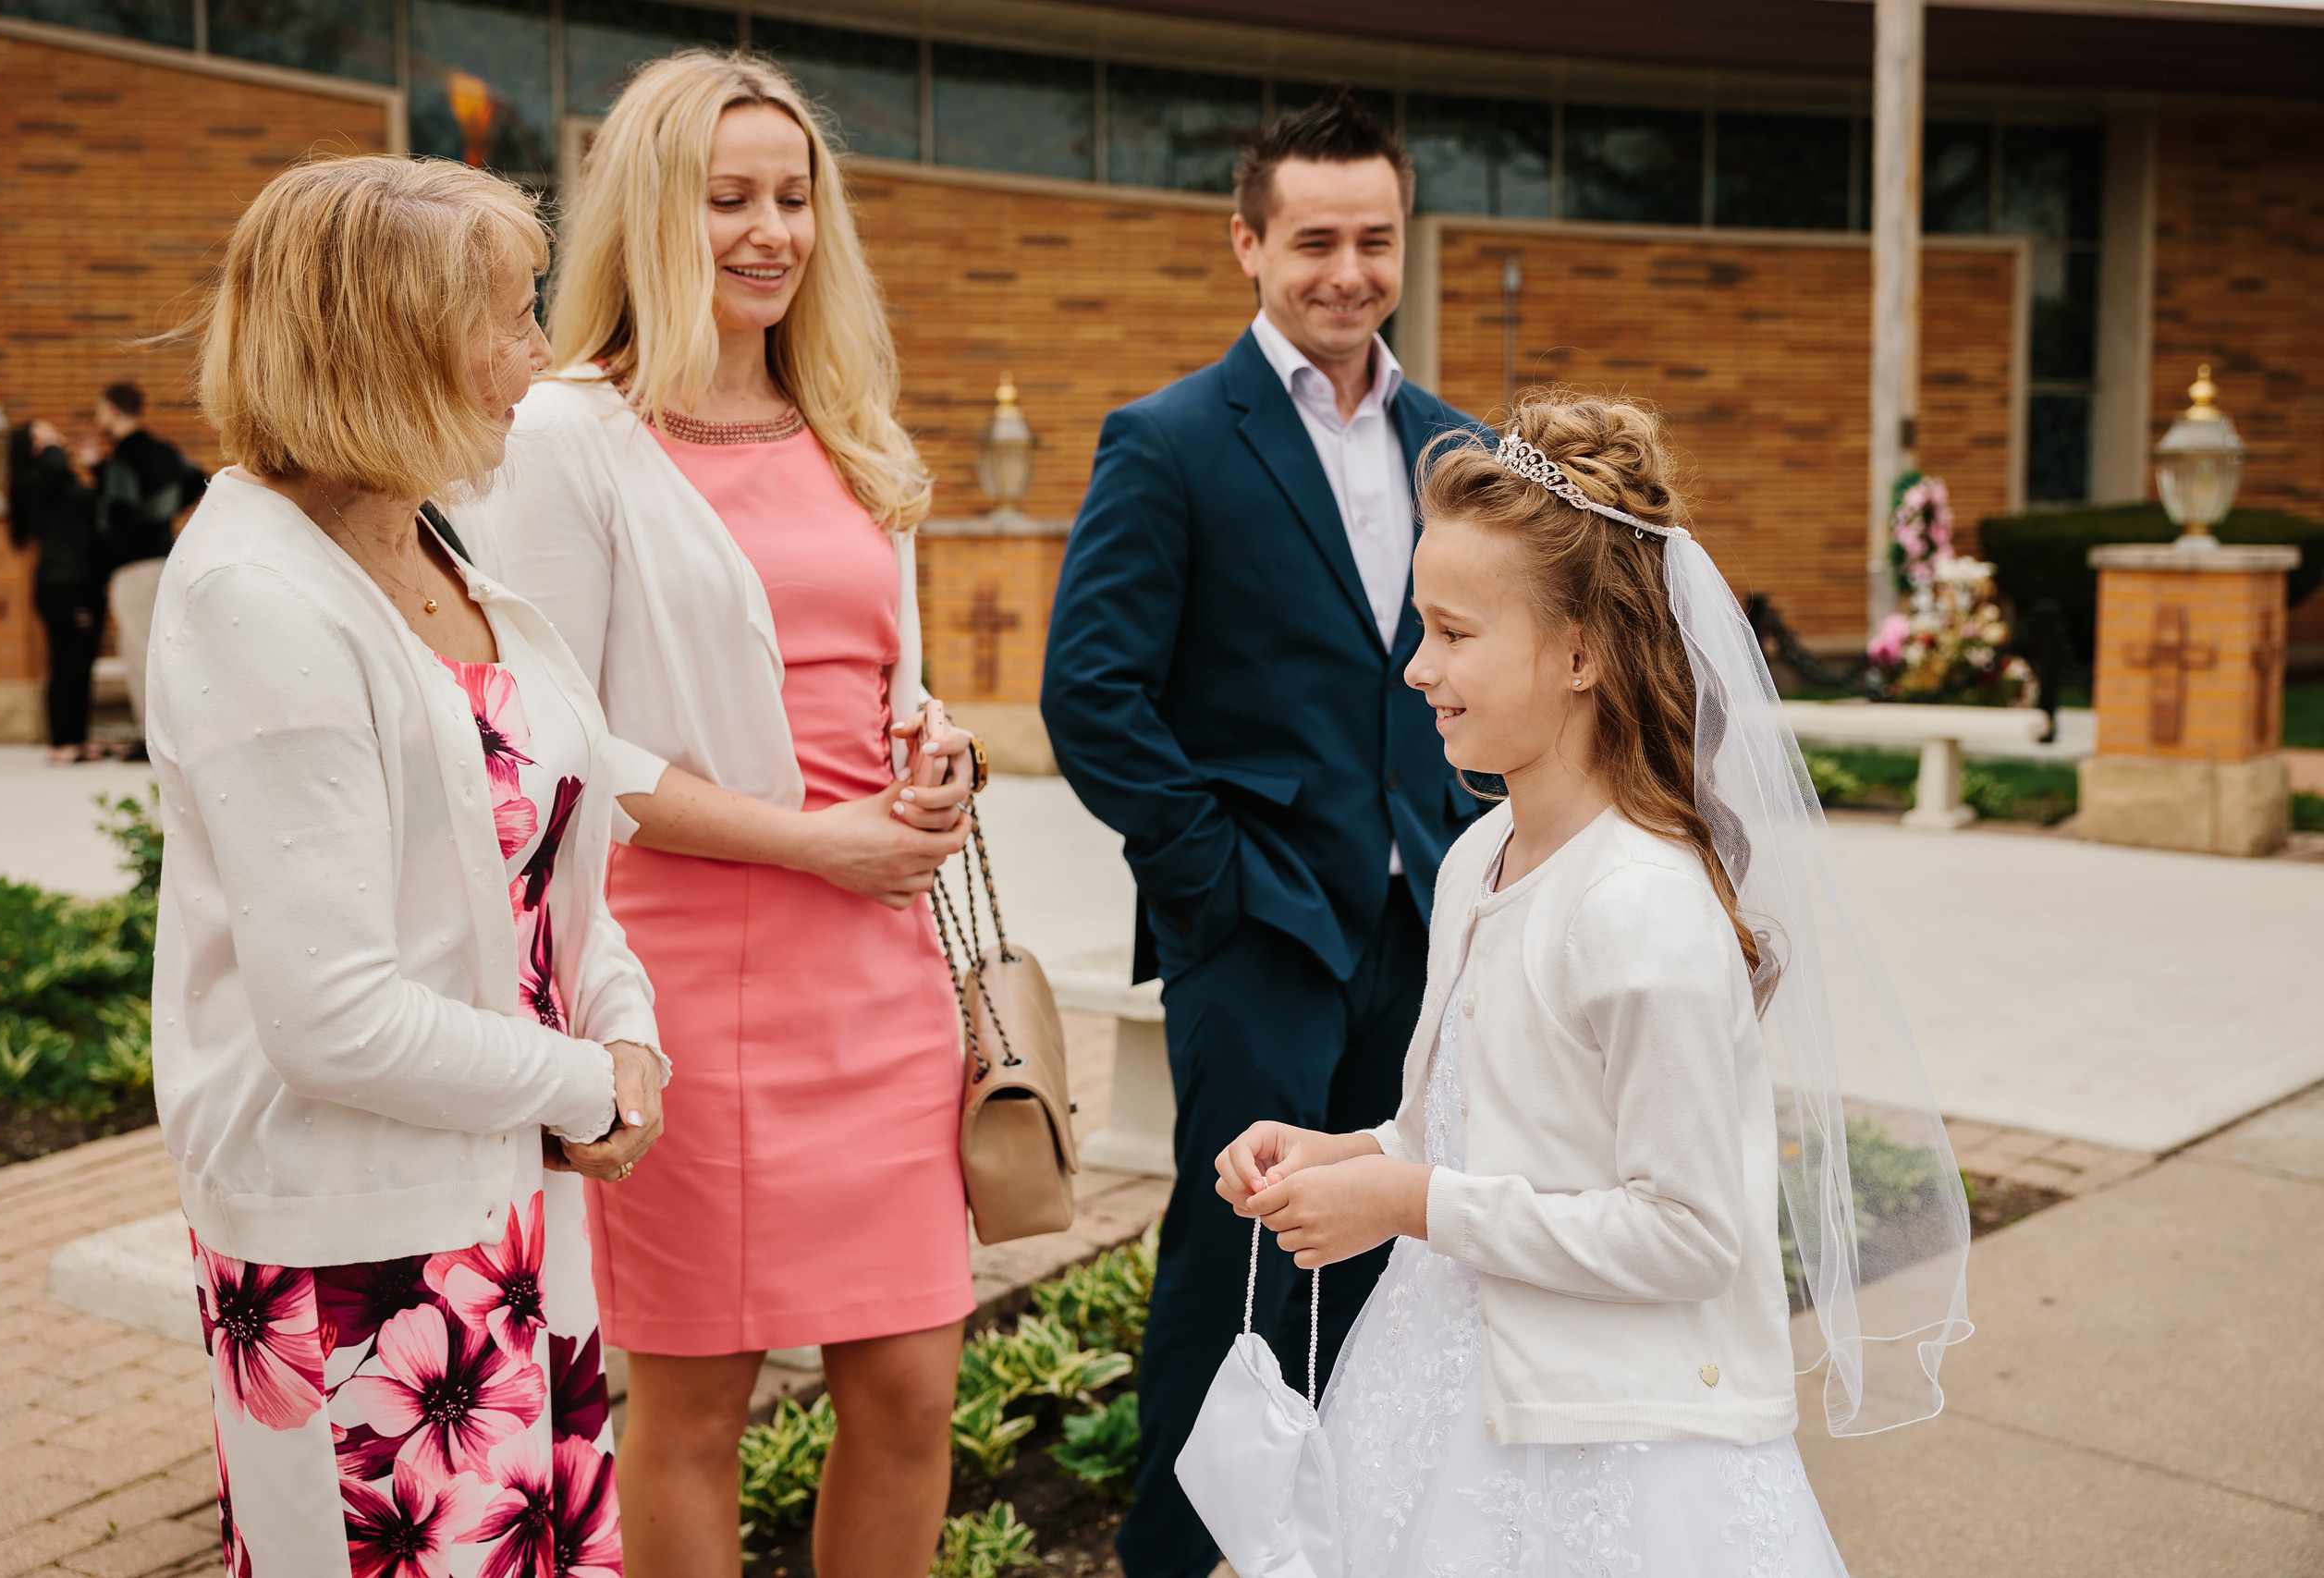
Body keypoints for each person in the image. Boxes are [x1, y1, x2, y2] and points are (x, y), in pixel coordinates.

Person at [1215, 393, 1972, 1574]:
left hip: (1611, 1446)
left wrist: (1407, 1205)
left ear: (1581, 651)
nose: (1417, 668)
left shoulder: (1643, 912)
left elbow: (1687, 1235)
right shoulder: (1477, 858)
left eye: (1454, 633)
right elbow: (1454, 1131)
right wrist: (1340, 1157)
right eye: (1422, 628)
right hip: (1445, 1381)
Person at [477, 49, 978, 1578]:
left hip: (880, 975)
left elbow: (872, 671)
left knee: (907, 1389)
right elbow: (559, 738)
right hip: (685, 980)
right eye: (728, 200)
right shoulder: (570, 433)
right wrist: (818, 838)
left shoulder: (844, 416)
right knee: (694, 1402)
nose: (772, 231)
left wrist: (932, 741)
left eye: (794, 196)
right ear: (649, 213)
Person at [145, 154, 667, 1574]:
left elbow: (554, 840)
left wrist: (628, 1028)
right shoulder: (259, 595)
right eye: (509, 317)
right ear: (390, 343)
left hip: (503, 1198)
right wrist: (584, 1083)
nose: (538, 356)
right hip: (360, 1244)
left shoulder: (423, 530)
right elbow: (331, 1014)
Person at [1039, 90, 1484, 1578]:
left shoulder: (1455, 447)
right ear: (1248, 242)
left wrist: (1472, 853)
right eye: (1313, 240)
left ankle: (1345, 1537)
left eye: (1375, 238)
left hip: (1426, 929)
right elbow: (1090, 695)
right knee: (1234, 1260)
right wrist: (1211, 883)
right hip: (1259, 931)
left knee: (1392, 1254)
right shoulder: (1168, 439)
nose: (1346, 270)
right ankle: (1175, 1552)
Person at [91, 381, 205, 754]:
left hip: (134, 567)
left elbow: (121, 515)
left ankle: (151, 740)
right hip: (165, 560)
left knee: (140, 653)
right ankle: (178, 733)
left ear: (110, 410)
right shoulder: (164, 450)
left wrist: (106, 558)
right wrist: (161, 514)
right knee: (171, 650)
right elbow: (195, 477)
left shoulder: (123, 457)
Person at [6, 420, 104, 761]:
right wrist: (51, 445)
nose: (56, 438)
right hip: (60, 584)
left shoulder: (62, 481)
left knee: (84, 661)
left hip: (84, 580)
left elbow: (96, 509)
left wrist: (97, 468)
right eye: (44, 435)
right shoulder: (34, 482)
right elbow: (53, 468)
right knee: (66, 662)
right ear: (31, 448)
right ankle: (61, 741)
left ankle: (78, 738)